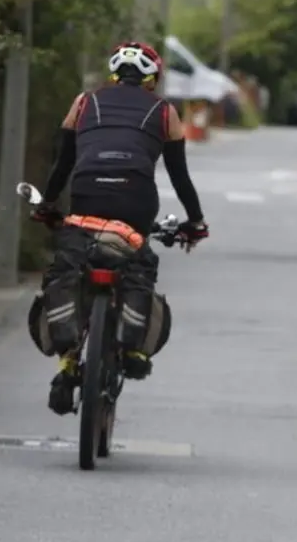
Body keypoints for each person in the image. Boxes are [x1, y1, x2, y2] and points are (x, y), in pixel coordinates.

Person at [31, 42, 210, 416]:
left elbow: (62, 164)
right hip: (135, 202)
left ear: (114, 73)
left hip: (86, 196)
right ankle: (132, 348)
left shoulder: (83, 103)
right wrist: (195, 223)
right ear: (152, 78)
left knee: (74, 257)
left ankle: (67, 360)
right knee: (135, 261)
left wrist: (48, 206)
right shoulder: (165, 112)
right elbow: (180, 177)